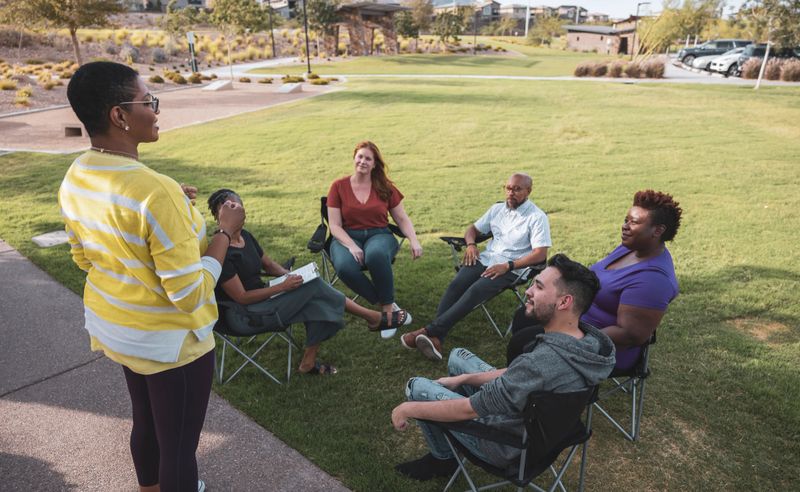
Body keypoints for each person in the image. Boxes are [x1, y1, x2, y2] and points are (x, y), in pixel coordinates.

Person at [59, 61, 245, 492]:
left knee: (146, 423)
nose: (157, 110)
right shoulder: (154, 191)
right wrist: (224, 232)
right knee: (178, 449)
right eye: (148, 102)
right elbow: (190, 292)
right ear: (119, 115)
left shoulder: (77, 175)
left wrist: (172, 208)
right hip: (171, 342)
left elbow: (85, 258)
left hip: (120, 329)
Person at [391, 254, 615, 480]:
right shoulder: (588, 343)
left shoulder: (539, 363)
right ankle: (451, 420)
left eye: (538, 287)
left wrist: (407, 409)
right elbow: (522, 375)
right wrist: (464, 379)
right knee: (458, 356)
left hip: (507, 444)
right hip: (545, 428)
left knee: (417, 387)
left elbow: (469, 408)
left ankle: (443, 459)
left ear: (564, 302)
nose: (528, 291)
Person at [208, 189, 394, 375]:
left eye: (235, 206)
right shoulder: (222, 252)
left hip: (265, 300)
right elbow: (242, 297)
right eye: (225, 210)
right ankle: (373, 317)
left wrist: (289, 275)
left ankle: (308, 363)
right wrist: (283, 286)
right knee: (314, 288)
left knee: (315, 297)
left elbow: (270, 265)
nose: (233, 211)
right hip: (244, 316)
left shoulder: (245, 236)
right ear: (220, 218)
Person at [507, 190, 681, 371]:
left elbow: (630, 335)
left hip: (600, 348)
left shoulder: (653, 280)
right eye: (626, 220)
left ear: (658, 230)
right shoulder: (631, 248)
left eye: (634, 222)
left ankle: (527, 386)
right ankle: (525, 377)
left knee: (523, 343)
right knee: (525, 317)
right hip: (575, 322)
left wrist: (569, 338)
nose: (625, 226)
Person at [400, 173, 551, 361]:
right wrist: (471, 245)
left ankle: (430, 331)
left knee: (474, 291)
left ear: (529, 191)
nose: (511, 193)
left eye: (517, 189)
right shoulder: (497, 209)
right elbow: (472, 229)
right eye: (509, 188)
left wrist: (508, 266)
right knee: (456, 285)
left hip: (511, 268)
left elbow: (540, 254)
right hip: (486, 259)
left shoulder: (537, 217)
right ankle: (437, 337)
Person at [326, 141, 423, 332]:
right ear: (354, 158)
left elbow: (402, 218)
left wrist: (414, 240)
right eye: (360, 156)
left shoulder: (385, 187)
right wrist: (351, 246)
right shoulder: (338, 186)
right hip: (346, 236)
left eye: (368, 158)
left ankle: (387, 312)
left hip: (379, 234)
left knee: (375, 255)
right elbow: (335, 226)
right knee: (345, 267)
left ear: (375, 164)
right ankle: (384, 302)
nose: (363, 161)